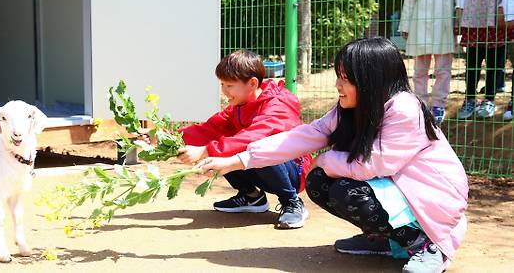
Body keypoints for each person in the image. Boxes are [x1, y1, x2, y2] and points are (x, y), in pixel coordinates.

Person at [198, 38, 468, 273]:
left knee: (345, 189)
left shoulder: (404, 109)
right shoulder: (352, 107)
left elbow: (372, 165)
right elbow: (301, 137)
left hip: (431, 198)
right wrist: (233, 161)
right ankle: (384, 239)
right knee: (319, 182)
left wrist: (325, 160)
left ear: (371, 79)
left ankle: (426, 245)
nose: (338, 85)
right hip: (398, 189)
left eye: (346, 79)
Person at [178, 49, 312, 229]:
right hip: (260, 167)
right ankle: (251, 197)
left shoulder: (277, 105)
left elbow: (254, 137)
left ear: (252, 83)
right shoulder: (239, 105)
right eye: (222, 84)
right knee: (230, 143)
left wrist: (205, 151)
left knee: (259, 146)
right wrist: (171, 138)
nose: (224, 91)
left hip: (293, 172)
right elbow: (211, 128)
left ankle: (292, 202)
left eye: (229, 85)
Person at [399, 0, 460, 125]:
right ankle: (422, 106)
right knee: (419, 71)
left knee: (443, 69)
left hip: (444, 24)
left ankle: (439, 105)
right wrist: (405, 25)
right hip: (420, 25)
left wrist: (458, 20)